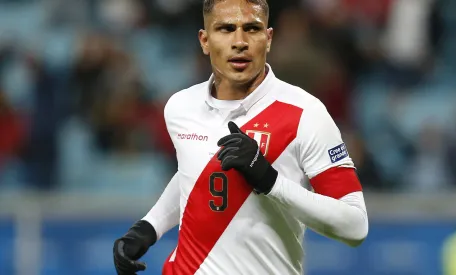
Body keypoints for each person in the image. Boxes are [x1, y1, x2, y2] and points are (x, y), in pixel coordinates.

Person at [113, 0, 369, 274]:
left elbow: (354, 226)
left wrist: (268, 180)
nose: (240, 42)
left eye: (251, 29)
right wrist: (149, 227)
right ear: (205, 40)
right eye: (225, 29)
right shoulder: (180, 106)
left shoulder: (306, 114)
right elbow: (197, 174)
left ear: (268, 38)